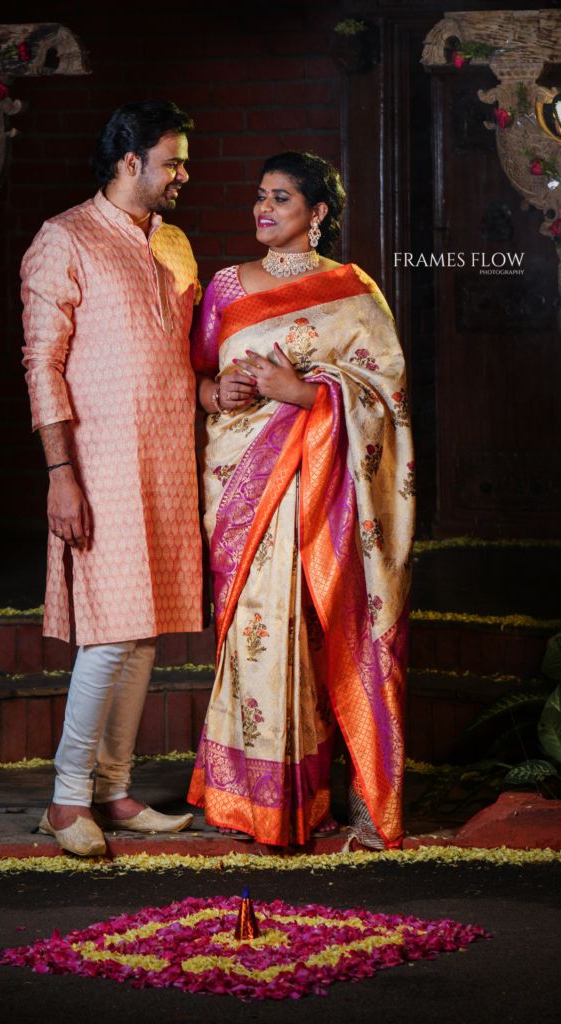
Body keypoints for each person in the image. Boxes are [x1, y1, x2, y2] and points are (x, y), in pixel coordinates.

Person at [187, 152, 415, 849]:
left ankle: (311, 799)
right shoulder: (226, 285)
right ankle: (250, 798)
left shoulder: (352, 290)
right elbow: (194, 375)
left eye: (280, 199)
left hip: (321, 492)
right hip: (242, 487)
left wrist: (303, 394)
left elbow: (387, 396)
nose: (262, 209)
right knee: (255, 629)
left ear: (316, 215)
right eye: (259, 196)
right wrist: (213, 393)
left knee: (309, 627)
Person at [20, 100, 203, 856]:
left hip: (166, 463)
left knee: (145, 632)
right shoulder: (64, 239)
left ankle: (116, 791)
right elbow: (42, 364)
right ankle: (67, 802)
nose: (184, 173)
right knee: (108, 634)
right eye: (174, 160)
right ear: (131, 163)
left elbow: (178, 356)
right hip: (98, 467)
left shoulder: (176, 244)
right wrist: (61, 472)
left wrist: (212, 390)